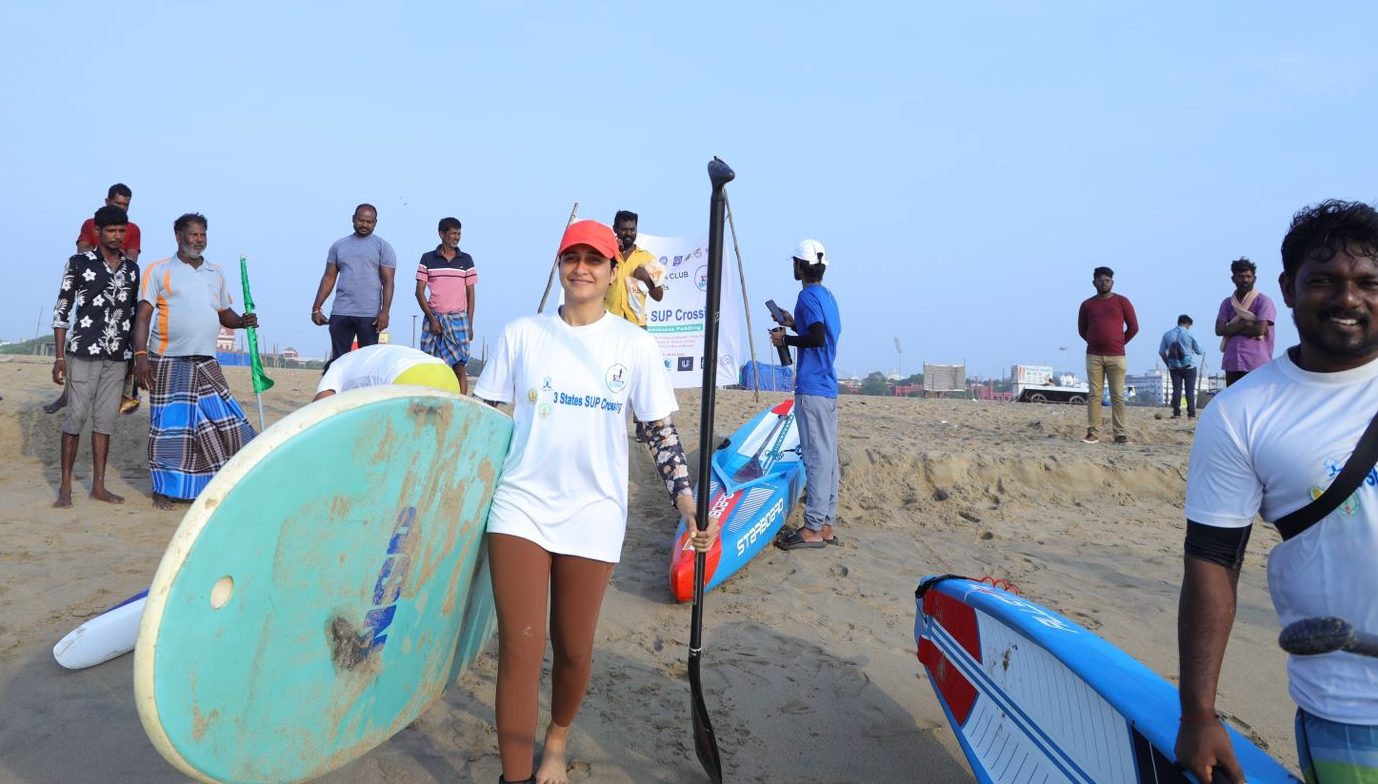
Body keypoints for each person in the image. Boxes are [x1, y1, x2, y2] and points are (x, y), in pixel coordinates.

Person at [472, 219, 715, 784]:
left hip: (596, 511)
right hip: (520, 507)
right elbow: (483, 424)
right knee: (521, 649)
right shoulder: (522, 335)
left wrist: (687, 503)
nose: (581, 267)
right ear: (559, 266)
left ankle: (556, 740)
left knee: (574, 649)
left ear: (611, 272)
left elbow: (659, 433)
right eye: (571, 257)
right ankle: (515, 777)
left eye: (594, 259)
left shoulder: (633, 344)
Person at [1175, 200, 1378, 784]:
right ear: (1287, 289)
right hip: (1350, 710)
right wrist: (1199, 712)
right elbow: (1214, 559)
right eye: (1324, 281)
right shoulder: (1241, 413)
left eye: (1368, 282)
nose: (1348, 299)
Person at [131, 213, 257, 510]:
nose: (198, 240)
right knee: (169, 429)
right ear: (178, 236)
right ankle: (163, 488)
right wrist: (139, 357)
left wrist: (243, 321)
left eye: (203, 235)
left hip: (206, 361)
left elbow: (223, 312)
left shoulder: (216, 272)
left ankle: (216, 482)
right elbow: (144, 315)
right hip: (166, 359)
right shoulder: (158, 271)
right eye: (193, 235)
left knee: (224, 421)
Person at [48, 205, 140, 508]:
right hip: (82, 353)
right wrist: (59, 357)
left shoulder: (132, 270)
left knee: (105, 422)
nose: (117, 236)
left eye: (121, 231)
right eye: (111, 231)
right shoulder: (78, 263)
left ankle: (99, 487)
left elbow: (132, 315)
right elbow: (62, 311)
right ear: (97, 232)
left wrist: (135, 358)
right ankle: (65, 488)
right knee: (75, 417)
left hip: (117, 357)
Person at [770, 239, 843, 550]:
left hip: (812, 388)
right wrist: (792, 321)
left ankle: (813, 528)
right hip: (827, 386)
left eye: (794, 263)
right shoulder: (827, 296)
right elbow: (821, 331)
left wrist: (785, 339)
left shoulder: (806, 297)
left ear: (800, 266)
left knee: (815, 458)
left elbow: (815, 337)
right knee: (829, 458)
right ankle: (825, 524)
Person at [47, 183, 144, 415]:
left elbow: (131, 258)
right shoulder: (90, 224)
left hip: (120, 286)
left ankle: (126, 395)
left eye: (125, 205)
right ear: (106, 201)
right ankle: (67, 394)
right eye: (117, 203)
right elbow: (83, 252)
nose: (122, 208)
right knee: (80, 340)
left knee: (126, 336)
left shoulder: (132, 229)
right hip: (91, 288)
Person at [310, 204, 397, 369]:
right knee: (338, 362)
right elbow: (329, 277)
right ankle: (336, 393)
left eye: (369, 222)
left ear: (375, 223)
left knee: (368, 362)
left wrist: (384, 311)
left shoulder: (383, 247)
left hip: (369, 316)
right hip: (341, 312)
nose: (364, 225)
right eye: (361, 220)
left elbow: (388, 282)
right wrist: (316, 307)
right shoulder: (339, 246)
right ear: (353, 219)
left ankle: (364, 395)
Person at [415, 217, 477, 394]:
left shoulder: (466, 260)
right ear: (441, 234)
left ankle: (462, 404)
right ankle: (432, 401)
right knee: (431, 365)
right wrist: (432, 319)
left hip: (458, 319)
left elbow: (471, 294)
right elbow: (419, 292)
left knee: (460, 366)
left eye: (459, 233)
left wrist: (469, 324)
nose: (456, 237)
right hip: (434, 318)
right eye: (453, 233)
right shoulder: (428, 259)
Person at [1077, 266, 1138, 444]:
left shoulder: (1122, 302)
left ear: (1112, 282)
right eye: (1100, 280)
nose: (1104, 283)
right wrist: (1094, 341)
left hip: (1117, 357)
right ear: (1093, 282)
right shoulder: (1087, 304)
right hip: (1094, 356)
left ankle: (1120, 434)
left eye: (1107, 280)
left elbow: (1133, 327)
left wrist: (1119, 342)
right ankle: (1093, 433)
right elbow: (1082, 330)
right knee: (1094, 395)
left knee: (1117, 395)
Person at [312, 343, 459, 401]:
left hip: (407, 377)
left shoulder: (336, 366)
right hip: (446, 374)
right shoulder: (366, 355)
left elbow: (321, 406)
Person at [1215, 256, 1277, 387]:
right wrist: (1244, 324)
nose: (1245, 280)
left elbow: (1259, 329)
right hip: (1232, 362)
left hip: (1256, 361)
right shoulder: (1227, 303)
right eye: (1241, 276)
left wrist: (1232, 328)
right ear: (1233, 279)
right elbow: (1219, 330)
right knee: (1233, 402)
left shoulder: (1263, 301)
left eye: (1248, 277)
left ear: (1254, 278)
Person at [604, 210, 665, 328]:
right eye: (624, 229)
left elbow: (659, 296)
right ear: (614, 229)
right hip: (608, 324)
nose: (629, 233)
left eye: (632, 230)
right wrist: (612, 250)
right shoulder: (606, 255)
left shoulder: (648, 257)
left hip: (637, 326)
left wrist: (647, 279)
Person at [1158, 314, 1204, 419]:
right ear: (1187, 324)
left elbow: (1161, 352)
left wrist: (1168, 364)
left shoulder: (1167, 334)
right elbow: (1199, 351)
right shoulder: (1189, 334)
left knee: (1177, 389)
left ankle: (1177, 413)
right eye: (1189, 326)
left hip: (1174, 367)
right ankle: (1191, 414)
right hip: (1189, 367)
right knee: (1190, 390)